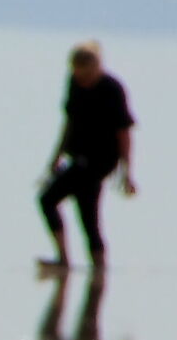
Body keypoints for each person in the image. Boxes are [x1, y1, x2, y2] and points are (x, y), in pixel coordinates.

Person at [37, 43, 138, 268]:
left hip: (103, 159)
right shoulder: (74, 84)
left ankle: (75, 263)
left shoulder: (112, 89)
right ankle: (86, 264)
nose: (82, 80)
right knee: (77, 210)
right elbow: (69, 123)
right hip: (79, 156)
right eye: (78, 74)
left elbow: (124, 133)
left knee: (54, 200)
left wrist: (127, 173)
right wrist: (56, 157)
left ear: (97, 68)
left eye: (87, 75)